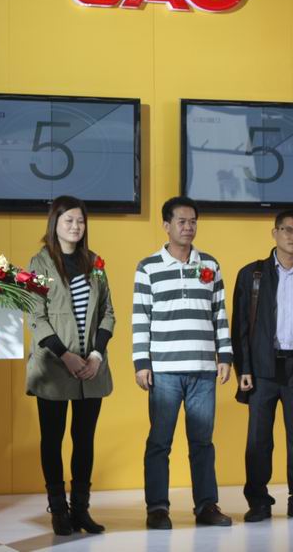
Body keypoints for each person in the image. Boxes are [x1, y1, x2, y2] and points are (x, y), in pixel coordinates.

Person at [132, 196, 233, 529]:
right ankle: (157, 509)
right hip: (164, 371)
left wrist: (225, 356)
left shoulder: (210, 264)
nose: (188, 227)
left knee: (202, 443)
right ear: (166, 225)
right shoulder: (148, 267)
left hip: (203, 369)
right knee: (159, 442)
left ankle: (206, 506)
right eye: (181, 221)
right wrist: (141, 362)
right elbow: (141, 317)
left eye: (192, 222)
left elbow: (219, 313)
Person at [231, 209, 293, 523]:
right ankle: (258, 502)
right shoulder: (252, 274)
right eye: (288, 230)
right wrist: (243, 368)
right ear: (274, 233)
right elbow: (240, 327)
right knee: (258, 439)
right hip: (262, 369)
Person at [26, 195, 115, 536]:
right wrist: (66, 355)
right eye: (69, 220)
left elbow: (108, 313)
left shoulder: (95, 262)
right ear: (55, 224)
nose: (76, 226)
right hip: (53, 367)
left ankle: (81, 509)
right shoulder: (39, 263)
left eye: (80, 221)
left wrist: (96, 355)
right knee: (52, 439)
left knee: (84, 438)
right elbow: (36, 317)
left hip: (91, 369)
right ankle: (58, 509)